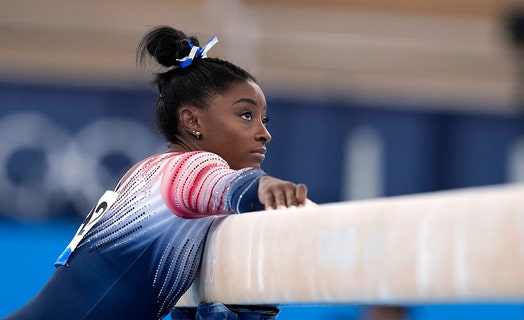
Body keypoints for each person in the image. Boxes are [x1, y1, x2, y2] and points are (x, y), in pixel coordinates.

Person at [4, 25, 308, 320]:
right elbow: (225, 186)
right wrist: (262, 185)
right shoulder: (188, 168)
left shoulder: (148, 169)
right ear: (192, 121)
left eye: (263, 119)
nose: (264, 133)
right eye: (246, 115)